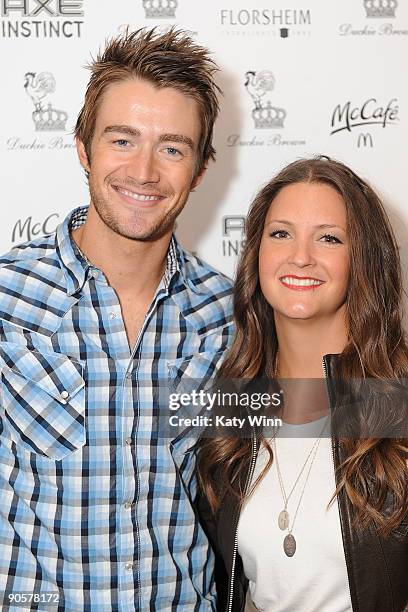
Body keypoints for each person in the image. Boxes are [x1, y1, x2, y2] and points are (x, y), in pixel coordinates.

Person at [0, 28, 233, 610]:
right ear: (83, 147)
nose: (145, 171)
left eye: (173, 148)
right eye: (122, 140)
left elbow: (321, 422)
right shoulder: (5, 294)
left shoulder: (230, 315)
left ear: (201, 168)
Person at [197, 157, 408, 612]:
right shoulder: (229, 413)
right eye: (281, 233)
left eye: (328, 238)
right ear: (257, 251)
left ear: (363, 259)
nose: (300, 256)